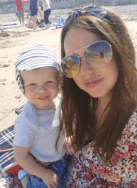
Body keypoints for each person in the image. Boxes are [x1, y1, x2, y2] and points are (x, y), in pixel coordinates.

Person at [58, 6, 137, 187]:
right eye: (72, 61)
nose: (84, 71)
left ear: (119, 48)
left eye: (97, 52)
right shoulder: (83, 100)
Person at [14, 44, 67, 188]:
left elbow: (64, 122)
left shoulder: (60, 101)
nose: (41, 90)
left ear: (59, 80)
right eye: (32, 84)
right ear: (22, 87)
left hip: (62, 157)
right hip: (41, 167)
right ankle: (25, 177)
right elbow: (20, 155)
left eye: (48, 82)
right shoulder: (27, 121)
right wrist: (42, 173)